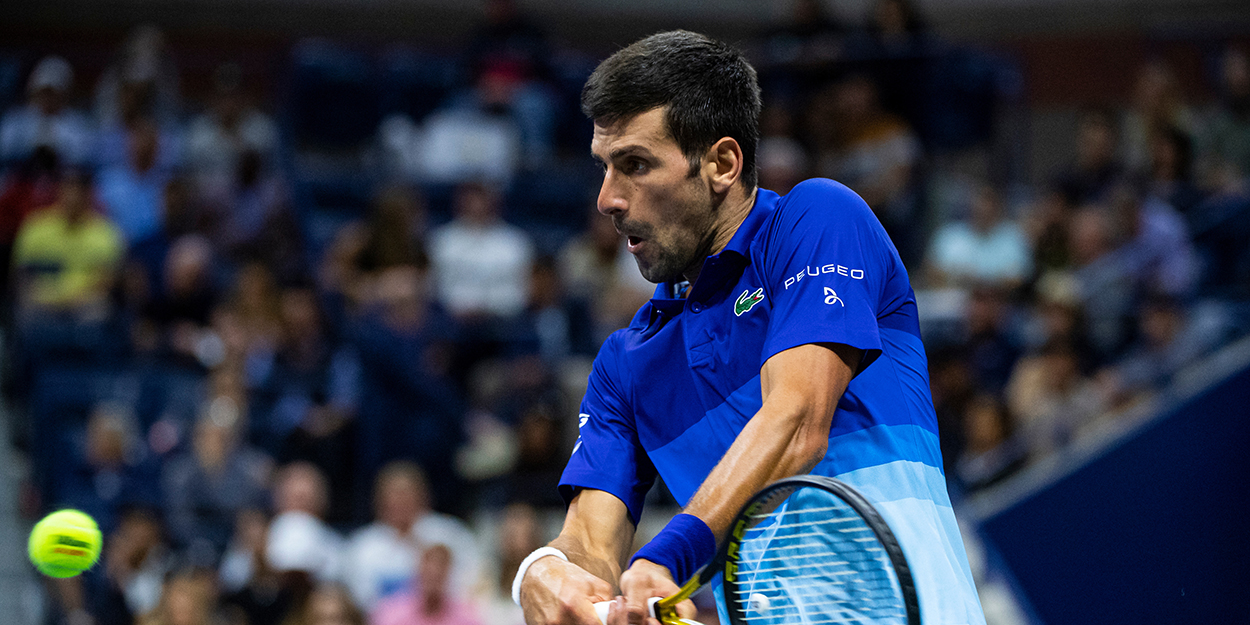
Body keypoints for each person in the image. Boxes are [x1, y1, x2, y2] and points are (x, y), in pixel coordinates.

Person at [512, 31, 984, 625]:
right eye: (604, 169)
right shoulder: (624, 366)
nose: (607, 198)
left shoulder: (816, 220)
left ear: (722, 164)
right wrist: (544, 574)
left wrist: (667, 557)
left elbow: (797, 423)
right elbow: (589, 543)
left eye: (634, 164)